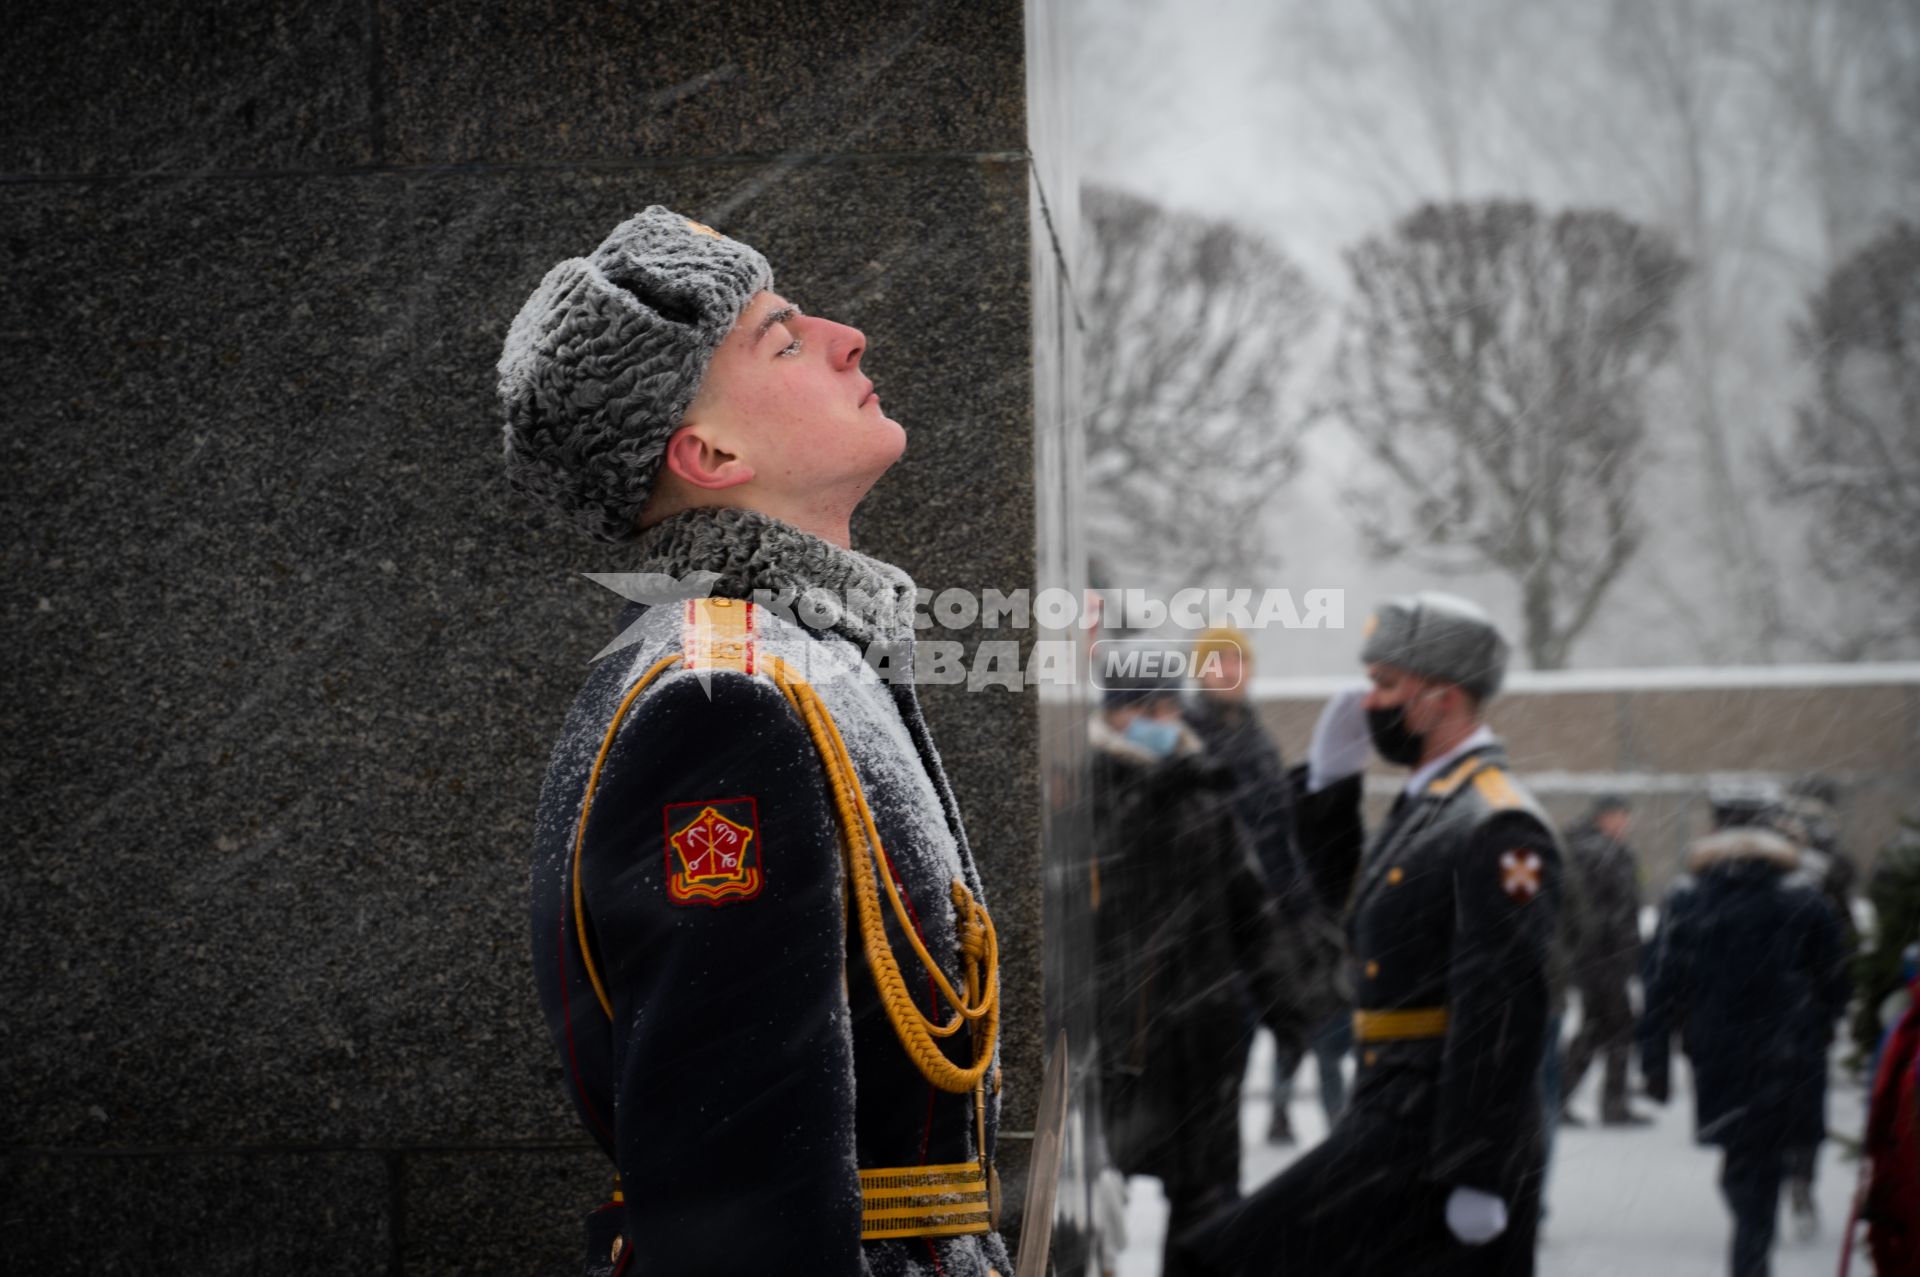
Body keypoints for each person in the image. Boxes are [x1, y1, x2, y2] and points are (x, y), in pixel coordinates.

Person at [503, 208, 1011, 1276]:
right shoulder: (723, 698)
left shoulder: (798, 657)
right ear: (710, 452)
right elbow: (736, 1193)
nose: (847, 337)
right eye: (782, 339)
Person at [1192, 591, 1563, 1276]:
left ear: (1444, 698)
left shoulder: (1497, 823)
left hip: (1432, 1127)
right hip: (1393, 1108)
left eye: (1387, 685)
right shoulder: (1433, 805)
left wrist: (1476, 1167)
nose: (1370, 703)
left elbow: (1502, 1008)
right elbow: (1351, 912)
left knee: (1219, 1261)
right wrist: (1329, 783)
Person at [1087, 676, 1316, 1277]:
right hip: (1121, 1042)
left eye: (1169, 707)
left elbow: (1252, 911)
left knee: (1208, 1209)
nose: (1164, 719)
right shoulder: (1084, 793)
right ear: (1113, 715)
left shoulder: (1204, 796)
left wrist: (1284, 1003)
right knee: (1092, 1207)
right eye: (1146, 708)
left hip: (1205, 1040)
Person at [1638, 792, 1850, 1277]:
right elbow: (1835, 977)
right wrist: (1823, 1025)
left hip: (1719, 1053)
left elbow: (1660, 985)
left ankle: (1750, 1254)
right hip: (1789, 1055)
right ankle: (1754, 1248)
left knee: (1741, 1159)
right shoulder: (1802, 898)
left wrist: (1654, 1057)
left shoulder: (1687, 899)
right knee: (1765, 1160)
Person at [1180, 625, 1348, 1144]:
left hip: (1268, 916)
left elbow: (1280, 835)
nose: (1230, 674)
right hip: (1209, 920)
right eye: (1219, 664)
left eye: (1237, 664)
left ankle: (1285, 1120)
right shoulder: (1187, 736)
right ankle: (1213, 1142)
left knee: (1294, 1020)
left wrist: (1302, 910)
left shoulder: (1258, 738)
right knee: (1221, 1043)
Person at [1560, 794, 1650, 1127]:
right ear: (1602, 817)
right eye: (1617, 816)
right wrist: (1612, 945)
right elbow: (1593, 911)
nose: (1623, 823)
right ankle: (1609, 1103)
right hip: (1600, 957)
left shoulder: (1600, 850)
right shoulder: (1596, 852)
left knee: (1599, 1029)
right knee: (1616, 1027)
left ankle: (1559, 1097)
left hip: (1602, 957)